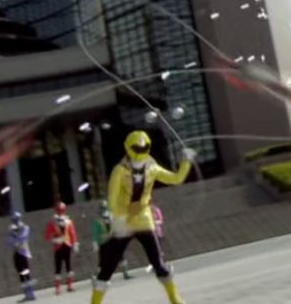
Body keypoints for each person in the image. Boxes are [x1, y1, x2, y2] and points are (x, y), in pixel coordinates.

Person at [90, 130, 194, 304]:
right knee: (108, 265)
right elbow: (112, 197)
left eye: (144, 148)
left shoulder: (152, 168)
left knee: (158, 262)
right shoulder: (119, 171)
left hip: (144, 219)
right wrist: (114, 216)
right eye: (136, 148)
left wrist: (186, 161)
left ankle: (174, 297)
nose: (140, 152)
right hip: (123, 221)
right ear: (128, 147)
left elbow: (176, 179)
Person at [91, 200, 131, 280]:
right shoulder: (98, 221)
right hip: (104, 242)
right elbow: (95, 233)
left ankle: (125, 273)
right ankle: (97, 276)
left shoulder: (112, 217)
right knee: (103, 260)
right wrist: (95, 243)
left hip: (114, 239)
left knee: (121, 256)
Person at [45, 201, 79, 295]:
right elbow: (47, 236)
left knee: (68, 265)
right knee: (58, 267)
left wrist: (75, 243)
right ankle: (58, 288)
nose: (60, 211)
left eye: (61, 210)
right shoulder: (52, 222)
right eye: (59, 210)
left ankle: (70, 285)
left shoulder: (68, 221)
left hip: (67, 244)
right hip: (58, 246)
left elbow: (72, 233)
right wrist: (54, 239)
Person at [6, 212, 36, 302]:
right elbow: (9, 242)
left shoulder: (25, 227)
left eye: (16, 219)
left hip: (23, 252)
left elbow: (24, 237)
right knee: (21, 274)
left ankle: (31, 293)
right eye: (14, 219)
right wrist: (12, 236)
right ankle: (26, 294)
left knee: (26, 273)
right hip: (17, 253)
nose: (15, 221)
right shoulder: (11, 229)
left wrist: (15, 235)